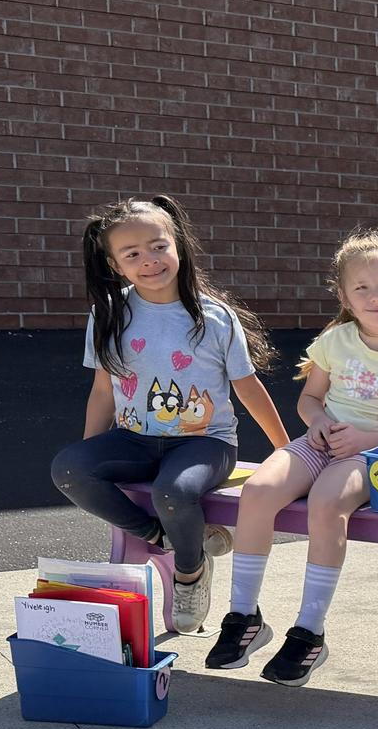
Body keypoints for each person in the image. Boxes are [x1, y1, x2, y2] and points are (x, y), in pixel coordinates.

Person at [206, 230, 378, 684]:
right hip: (320, 443)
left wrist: (366, 438)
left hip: (373, 456)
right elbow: (310, 399)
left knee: (327, 503)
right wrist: (314, 423)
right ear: (346, 298)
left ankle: (309, 631)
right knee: (258, 490)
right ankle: (243, 617)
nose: (376, 297)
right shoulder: (335, 341)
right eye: (362, 289)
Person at [51, 196, 289, 634]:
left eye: (158, 246)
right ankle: (160, 536)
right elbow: (103, 390)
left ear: (177, 241)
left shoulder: (215, 317)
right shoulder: (109, 314)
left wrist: (284, 449)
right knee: (68, 469)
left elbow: (247, 385)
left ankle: (189, 572)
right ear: (114, 263)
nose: (149, 260)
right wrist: (91, 451)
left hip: (206, 443)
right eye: (132, 254)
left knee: (173, 492)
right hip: (135, 439)